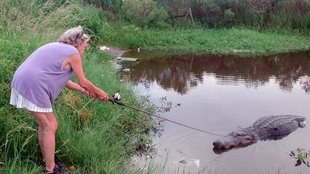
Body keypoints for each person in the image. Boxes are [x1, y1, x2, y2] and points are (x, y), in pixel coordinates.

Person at [10, 26, 109, 174]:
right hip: (33, 84)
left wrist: (85, 92)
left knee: (44, 124)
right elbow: (83, 81)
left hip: (21, 80)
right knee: (51, 125)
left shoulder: (56, 47)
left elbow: (66, 82)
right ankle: (51, 169)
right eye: (84, 47)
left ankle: (46, 160)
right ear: (77, 44)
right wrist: (101, 92)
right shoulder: (73, 53)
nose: (84, 50)